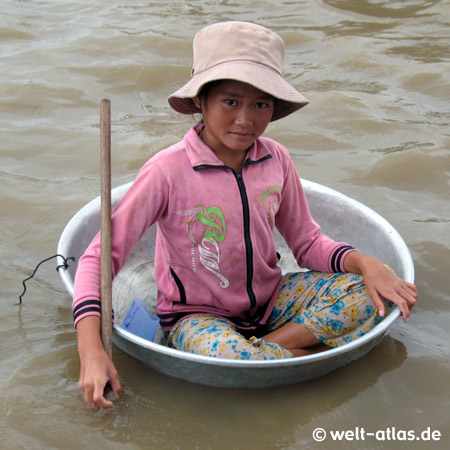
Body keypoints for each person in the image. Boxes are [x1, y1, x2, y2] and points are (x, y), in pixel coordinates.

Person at [73, 21, 417, 409]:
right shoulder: (167, 171)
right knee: (224, 356)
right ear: (201, 101)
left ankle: (267, 352)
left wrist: (365, 263)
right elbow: (98, 259)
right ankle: (290, 359)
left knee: (374, 296)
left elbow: (306, 243)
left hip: (271, 302)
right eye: (231, 101)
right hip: (196, 317)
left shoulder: (276, 159)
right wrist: (91, 351)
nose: (246, 119)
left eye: (261, 104)